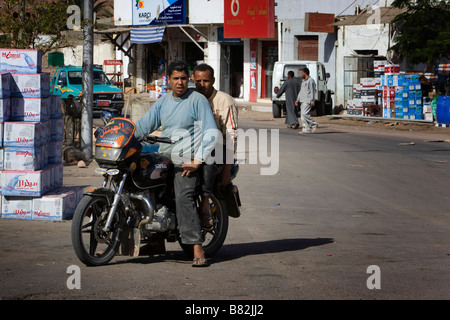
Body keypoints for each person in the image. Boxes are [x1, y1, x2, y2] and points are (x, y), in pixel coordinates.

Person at [135, 61, 219, 267]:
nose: (180, 82)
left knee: (184, 196)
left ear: (188, 79)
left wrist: (197, 160)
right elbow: (144, 124)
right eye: (175, 78)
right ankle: (155, 241)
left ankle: (196, 245)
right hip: (163, 155)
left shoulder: (197, 100)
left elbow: (210, 131)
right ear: (169, 80)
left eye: (183, 78)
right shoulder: (163, 101)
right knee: (143, 188)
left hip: (187, 157)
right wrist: (123, 134)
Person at [193, 63, 238, 230]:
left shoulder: (224, 101)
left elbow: (231, 135)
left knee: (209, 157)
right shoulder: (190, 97)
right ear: (193, 79)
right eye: (198, 81)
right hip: (191, 148)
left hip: (217, 150)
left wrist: (227, 167)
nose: (201, 85)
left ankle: (204, 205)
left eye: (206, 81)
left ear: (212, 80)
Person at [295, 67, 319, 134]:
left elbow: (313, 91)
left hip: (308, 100)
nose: (300, 74)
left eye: (301, 72)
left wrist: (312, 100)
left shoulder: (311, 81)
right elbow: (301, 91)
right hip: (302, 100)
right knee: (302, 115)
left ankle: (314, 124)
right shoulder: (303, 81)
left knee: (305, 113)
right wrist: (297, 99)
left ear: (305, 73)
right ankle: (306, 129)